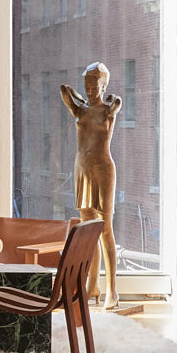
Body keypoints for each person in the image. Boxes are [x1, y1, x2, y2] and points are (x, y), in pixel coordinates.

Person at [59, 61, 123, 308]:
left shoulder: (109, 109)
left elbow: (117, 104)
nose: (89, 88)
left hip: (102, 170)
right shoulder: (80, 110)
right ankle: (91, 284)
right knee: (88, 230)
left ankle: (112, 290)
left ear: (103, 83)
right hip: (82, 169)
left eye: (93, 83)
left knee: (105, 228)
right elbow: (65, 90)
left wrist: (108, 96)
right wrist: (80, 94)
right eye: (86, 83)